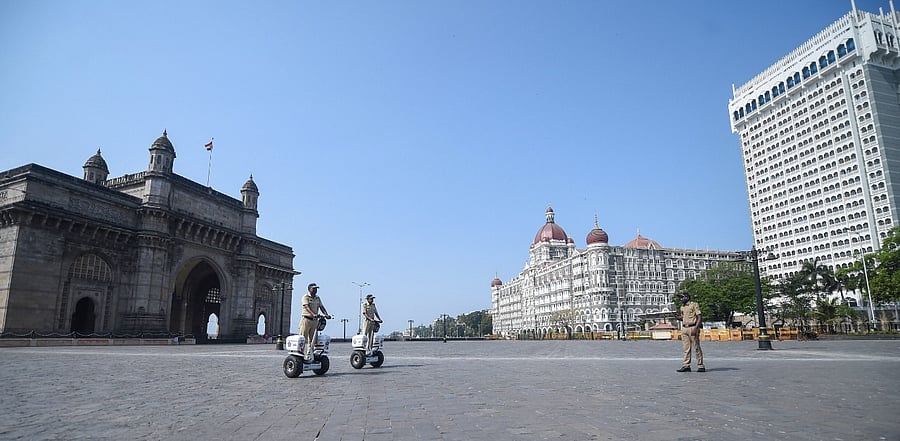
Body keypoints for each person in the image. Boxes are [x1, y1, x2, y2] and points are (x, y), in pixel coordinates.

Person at [300, 283, 330, 360]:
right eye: (314, 288)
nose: (315, 290)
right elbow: (307, 307)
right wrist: (313, 314)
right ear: (309, 289)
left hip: (314, 321)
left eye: (316, 289)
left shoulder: (317, 298)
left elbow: (321, 307)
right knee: (303, 339)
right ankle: (300, 356)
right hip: (306, 320)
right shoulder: (305, 297)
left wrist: (326, 314)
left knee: (313, 340)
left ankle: (309, 356)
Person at [676, 292, 705, 372]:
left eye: (682, 297)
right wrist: (678, 318)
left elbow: (699, 317)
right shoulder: (682, 307)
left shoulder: (694, 305)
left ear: (687, 297)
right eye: (680, 298)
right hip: (684, 328)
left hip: (693, 327)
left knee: (696, 347)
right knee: (686, 348)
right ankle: (686, 365)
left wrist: (696, 328)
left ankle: (700, 365)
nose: (681, 299)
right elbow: (684, 317)